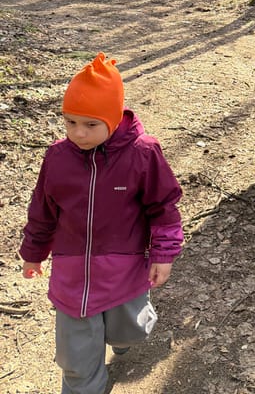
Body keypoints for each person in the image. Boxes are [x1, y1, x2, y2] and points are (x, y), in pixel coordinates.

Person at [19, 52, 183, 394]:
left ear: (113, 118)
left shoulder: (143, 153)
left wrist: (163, 254)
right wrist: (33, 252)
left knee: (129, 331)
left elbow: (163, 206)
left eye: (91, 124)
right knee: (78, 359)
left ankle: (121, 336)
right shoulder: (57, 157)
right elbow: (43, 210)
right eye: (70, 122)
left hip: (123, 269)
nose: (78, 133)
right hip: (71, 275)